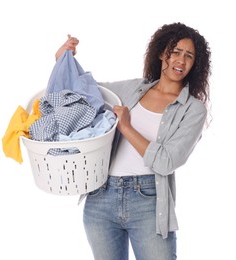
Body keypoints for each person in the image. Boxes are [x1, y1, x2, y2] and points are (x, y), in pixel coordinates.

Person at [55, 22, 211, 260]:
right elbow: (87, 93)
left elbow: (166, 161)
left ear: (194, 64)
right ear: (161, 53)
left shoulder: (193, 110)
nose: (181, 60)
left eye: (189, 56)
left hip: (148, 202)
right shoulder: (133, 89)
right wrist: (63, 62)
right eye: (176, 52)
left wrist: (126, 127)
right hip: (101, 197)